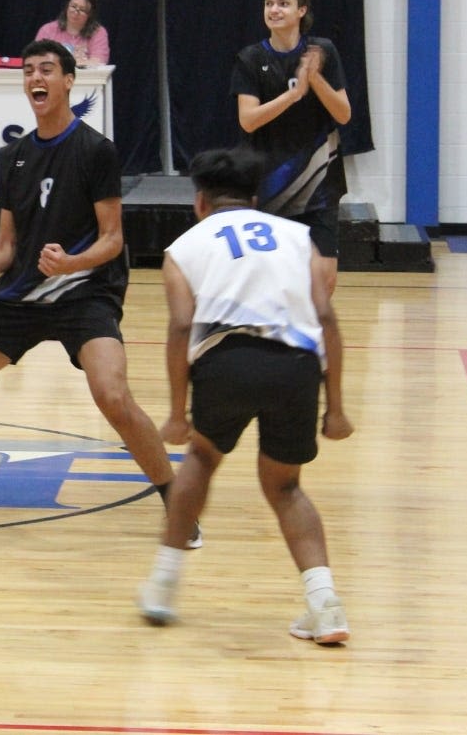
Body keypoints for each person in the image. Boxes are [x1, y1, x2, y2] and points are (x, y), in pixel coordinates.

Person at [0, 39, 194, 545]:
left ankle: (178, 501)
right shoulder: (14, 154)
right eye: (29, 70)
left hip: (84, 295)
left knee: (113, 396)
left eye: (47, 70)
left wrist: (71, 263)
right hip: (21, 300)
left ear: (69, 81)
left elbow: (114, 239)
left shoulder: (95, 150)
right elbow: (7, 244)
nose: (36, 77)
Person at [137, 147, 352, 644]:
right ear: (256, 200)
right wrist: (336, 407)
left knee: (202, 459)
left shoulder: (184, 248)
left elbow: (182, 326)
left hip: (227, 361)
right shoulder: (300, 238)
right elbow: (327, 320)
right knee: (285, 487)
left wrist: (175, 412)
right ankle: (327, 607)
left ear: (200, 202)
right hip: (295, 367)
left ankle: (163, 587)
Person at [231, 0, 353, 297]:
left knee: (323, 280)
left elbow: (343, 114)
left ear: (302, 11)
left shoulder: (322, 51)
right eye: (269, 3)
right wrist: (293, 95)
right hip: (268, 182)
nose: (274, 9)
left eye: (283, 3)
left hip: (320, 183)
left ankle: (308, 343)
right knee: (270, 280)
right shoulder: (251, 59)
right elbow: (248, 121)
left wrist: (315, 79)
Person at [34, 0, 109, 67]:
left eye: (82, 10)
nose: (76, 12)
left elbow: (99, 62)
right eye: (73, 6)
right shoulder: (47, 30)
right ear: (67, 6)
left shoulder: (98, 33)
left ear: (90, 14)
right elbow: (36, 59)